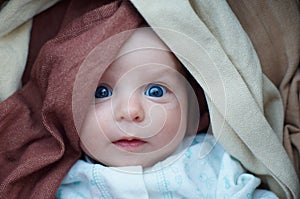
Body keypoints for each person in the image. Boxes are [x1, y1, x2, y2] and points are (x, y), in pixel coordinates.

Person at [56, 28, 278, 198]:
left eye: (156, 91)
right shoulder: (67, 183)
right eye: (101, 92)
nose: (131, 112)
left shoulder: (209, 161)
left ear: (191, 108)